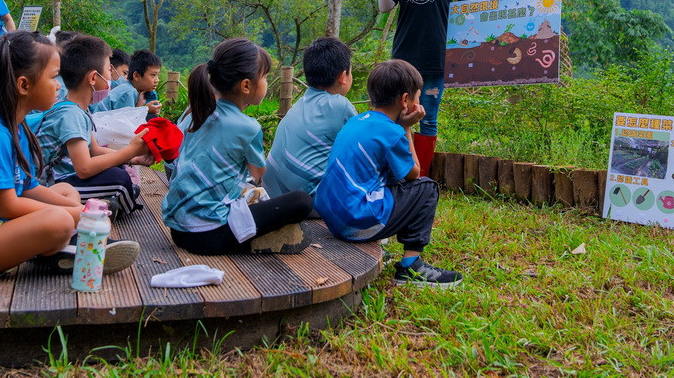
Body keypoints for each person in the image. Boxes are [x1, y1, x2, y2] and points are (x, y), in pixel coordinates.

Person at [0, 31, 124, 281]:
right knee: (59, 220)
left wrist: (77, 208)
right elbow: (8, 206)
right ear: (24, 85)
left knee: (66, 192)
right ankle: (66, 243)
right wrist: (77, 215)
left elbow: (27, 187)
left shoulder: (14, 125)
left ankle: (61, 246)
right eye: (53, 77)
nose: (58, 86)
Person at [315, 59, 462, 287]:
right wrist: (407, 127)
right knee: (427, 189)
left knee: (391, 176)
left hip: (332, 219)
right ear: (405, 100)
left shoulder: (356, 120)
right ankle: (411, 266)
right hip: (355, 224)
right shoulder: (391, 131)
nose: (419, 103)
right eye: (418, 97)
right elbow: (414, 174)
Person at [162, 38, 313, 255]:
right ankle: (253, 239)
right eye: (265, 77)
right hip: (208, 234)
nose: (267, 82)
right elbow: (258, 173)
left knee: (247, 190)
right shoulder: (247, 127)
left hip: (178, 228)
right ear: (246, 86)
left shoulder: (195, 112)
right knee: (301, 200)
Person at [378, 0, 501, 177]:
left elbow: (470, 5)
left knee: (428, 118)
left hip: (435, 58)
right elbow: (385, 6)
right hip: (403, 58)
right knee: (396, 116)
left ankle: (420, 177)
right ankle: (394, 174)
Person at [34, 34, 151, 216]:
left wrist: (134, 158)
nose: (111, 77)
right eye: (108, 69)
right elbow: (84, 169)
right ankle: (107, 205)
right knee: (119, 179)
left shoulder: (79, 109)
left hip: (66, 178)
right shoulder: (71, 115)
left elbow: (94, 151)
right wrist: (130, 151)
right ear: (93, 78)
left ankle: (110, 202)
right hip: (53, 185)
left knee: (118, 171)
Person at [263, 37, 357, 201]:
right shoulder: (339, 105)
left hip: (270, 197)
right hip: (302, 203)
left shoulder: (302, 102)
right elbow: (367, 146)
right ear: (343, 76)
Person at [103, 49, 162, 117]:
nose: (157, 80)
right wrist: (146, 110)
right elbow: (125, 120)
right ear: (136, 76)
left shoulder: (130, 89)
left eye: (158, 75)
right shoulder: (129, 92)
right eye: (153, 75)